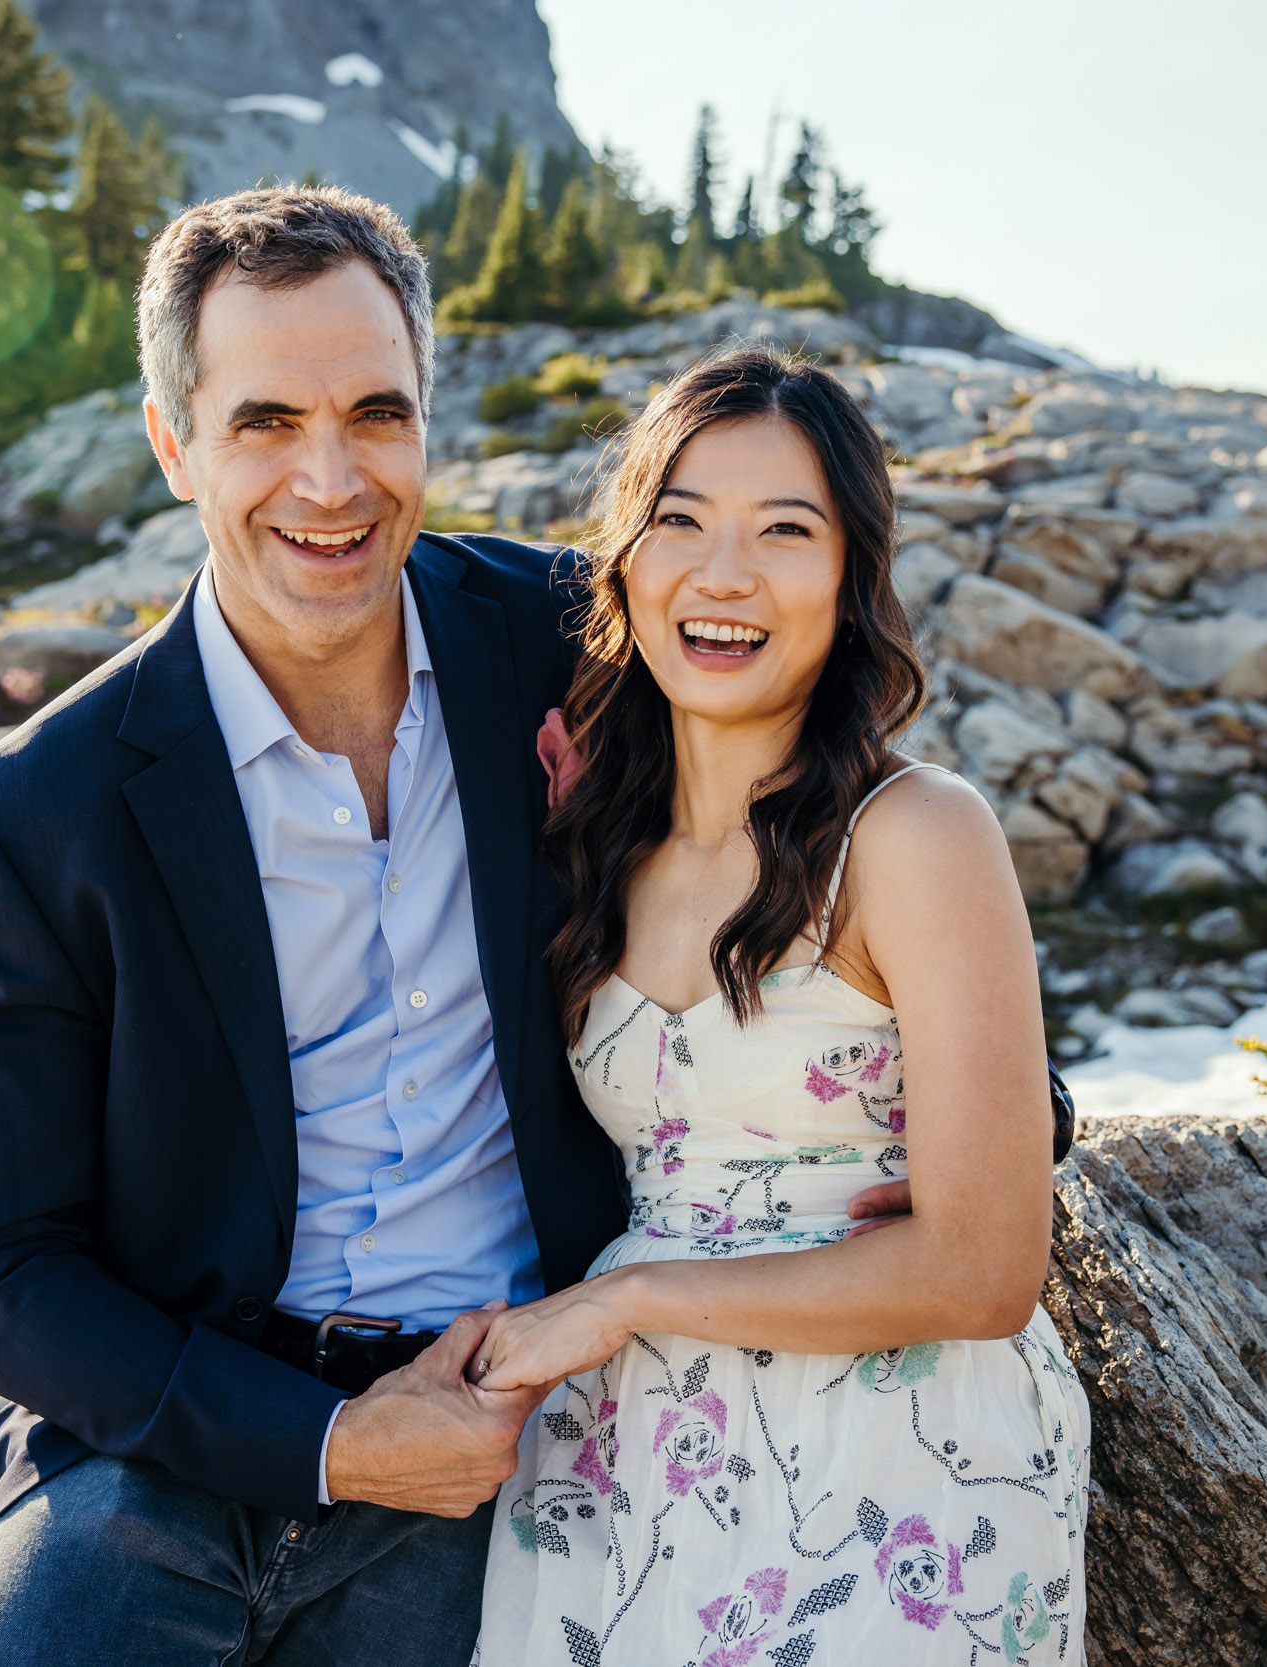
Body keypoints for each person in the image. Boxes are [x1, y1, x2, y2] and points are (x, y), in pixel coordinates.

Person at [0, 187, 915, 1664]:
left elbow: (840, 849)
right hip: (162, 1454)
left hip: (514, 1430)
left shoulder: (580, 645)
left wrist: (971, 1102)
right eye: (263, 424)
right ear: (174, 443)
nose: (330, 480)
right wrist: (326, 1444)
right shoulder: (41, 809)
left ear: (428, 421)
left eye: (376, 412)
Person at [468, 348, 1090, 1665]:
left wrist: (625, 1303)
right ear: (624, 563)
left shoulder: (916, 835)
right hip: (629, 1456)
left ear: (853, 580)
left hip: (895, 1450)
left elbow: (984, 1271)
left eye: (785, 533)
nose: (724, 574)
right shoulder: (604, 843)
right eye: (680, 522)